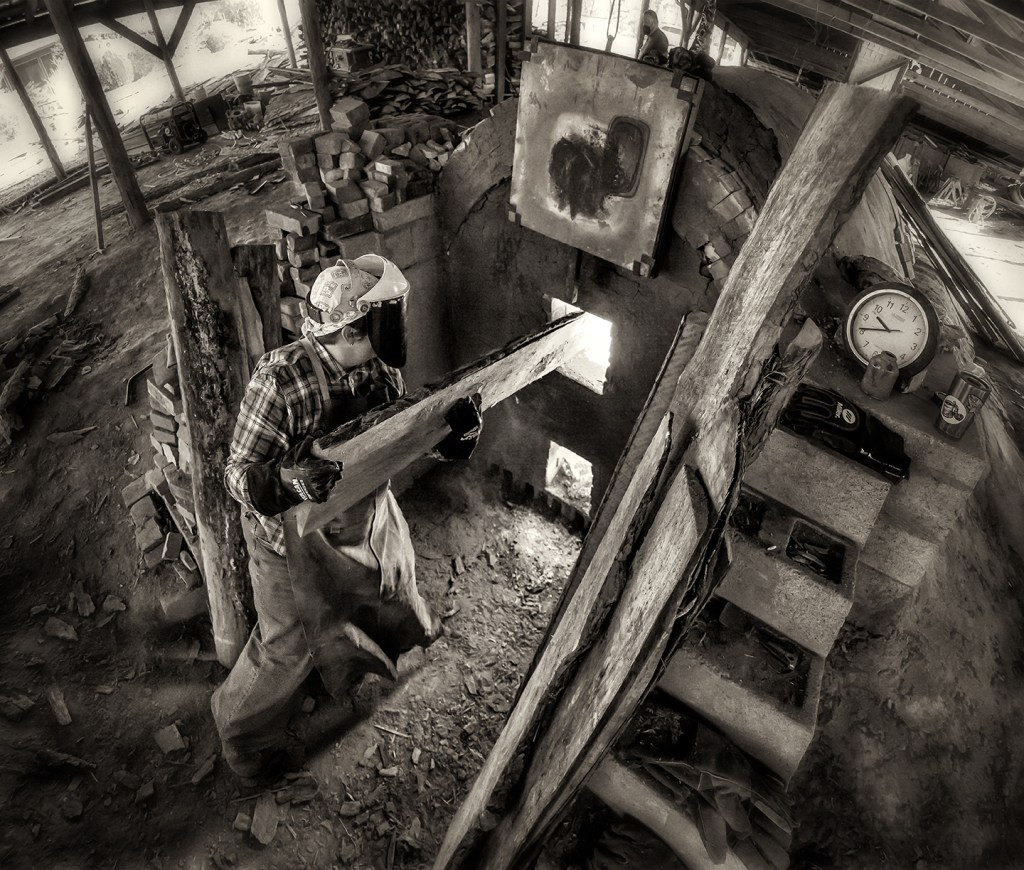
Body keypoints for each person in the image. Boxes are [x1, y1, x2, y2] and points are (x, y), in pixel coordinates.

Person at [213, 254, 482, 779]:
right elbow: (236, 475)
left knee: (394, 585)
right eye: (384, 320)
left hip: (367, 515)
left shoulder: (381, 369)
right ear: (353, 329)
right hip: (290, 543)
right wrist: (284, 481)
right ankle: (241, 739)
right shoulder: (280, 382)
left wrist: (452, 439)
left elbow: (402, 438)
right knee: (287, 648)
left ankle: (373, 662)